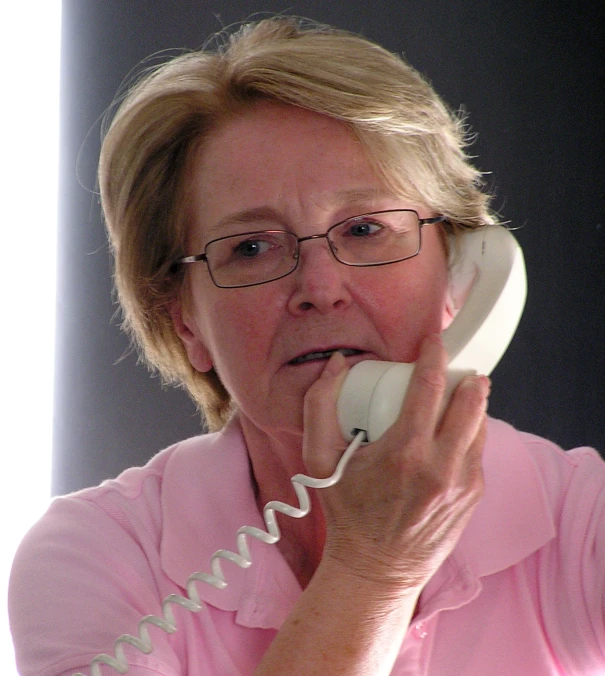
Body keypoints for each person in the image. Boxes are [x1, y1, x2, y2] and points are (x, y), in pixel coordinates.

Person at [9, 17, 605, 676]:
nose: (319, 288)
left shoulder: (581, 519)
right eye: (251, 247)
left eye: (365, 228)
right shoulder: (94, 555)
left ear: (462, 274)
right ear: (184, 321)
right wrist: (373, 570)